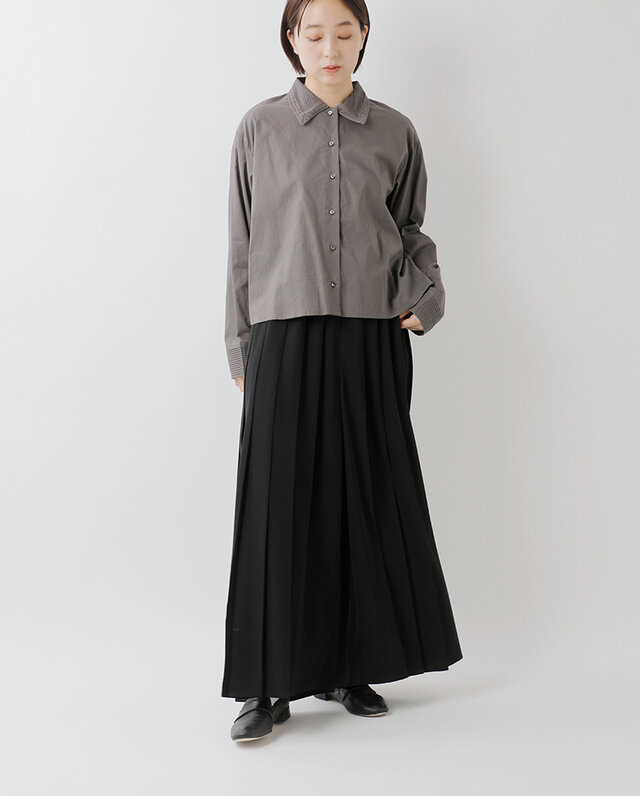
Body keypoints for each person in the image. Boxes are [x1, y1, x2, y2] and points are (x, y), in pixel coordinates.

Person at [222, 0, 463, 743]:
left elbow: (411, 230)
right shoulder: (260, 128)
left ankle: (349, 667)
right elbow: (241, 243)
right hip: (284, 332)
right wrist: (240, 345)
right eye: (315, 33)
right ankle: (265, 685)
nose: (330, 47)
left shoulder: (395, 131)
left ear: (362, 39)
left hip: (371, 334)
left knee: (365, 499)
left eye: (345, 32)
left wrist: (428, 298)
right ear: (293, 41)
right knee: (277, 506)